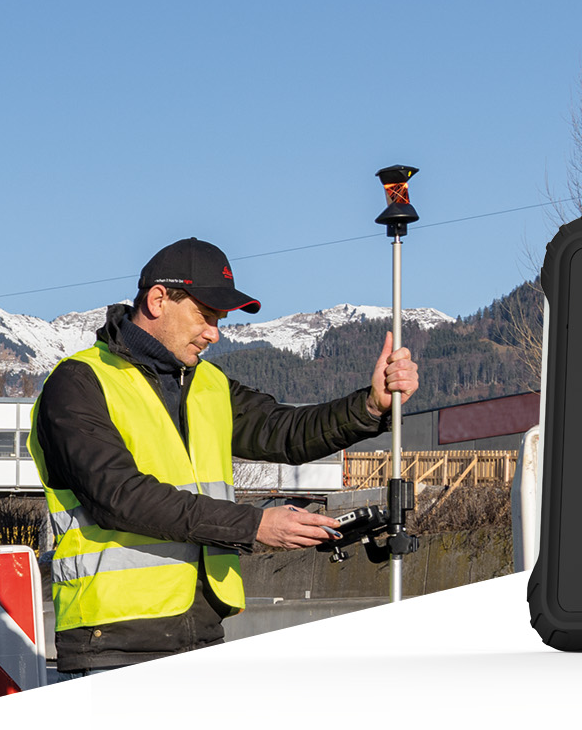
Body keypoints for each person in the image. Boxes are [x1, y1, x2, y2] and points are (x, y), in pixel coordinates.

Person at [31, 237, 419, 676]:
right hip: (113, 642)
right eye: (206, 315)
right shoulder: (79, 382)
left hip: (202, 632)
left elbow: (286, 432)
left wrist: (370, 406)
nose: (214, 334)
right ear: (158, 300)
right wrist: (255, 525)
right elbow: (118, 496)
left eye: (219, 320)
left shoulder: (209, 384)